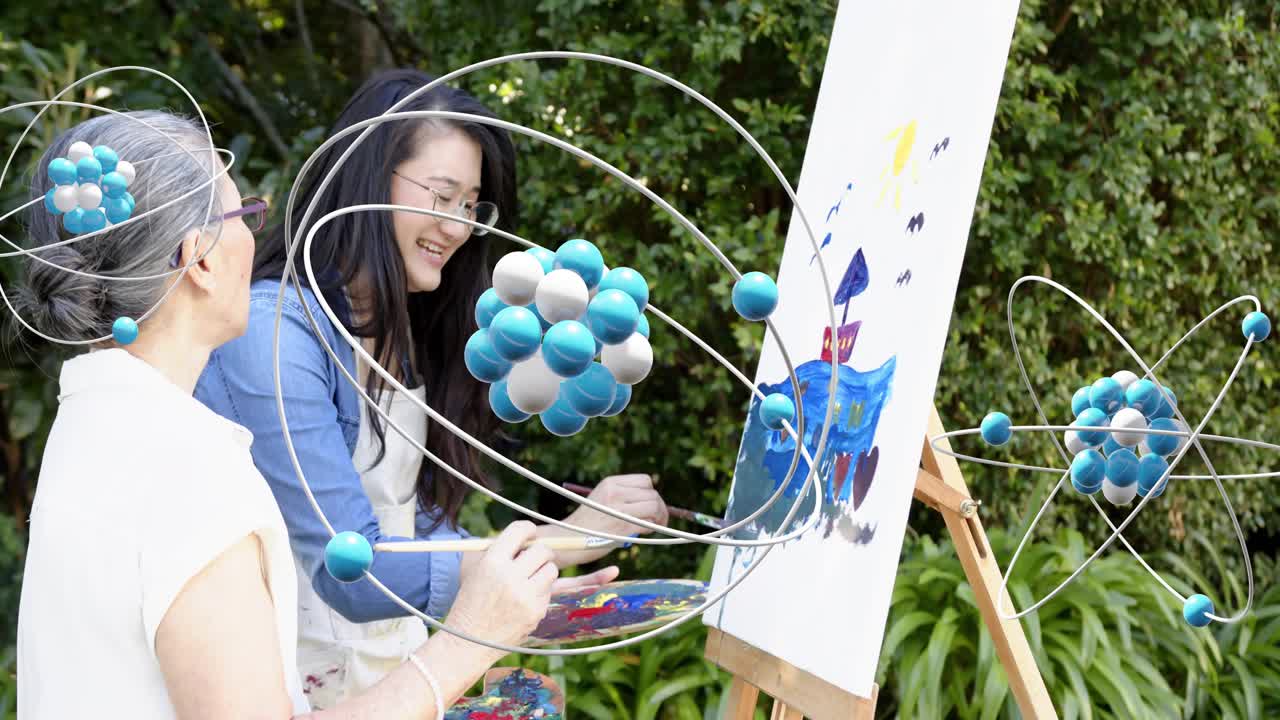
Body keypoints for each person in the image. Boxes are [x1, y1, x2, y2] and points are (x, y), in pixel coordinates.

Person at [15, 110, 558, 718]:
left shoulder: (92, 422)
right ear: (200, 260)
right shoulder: (187, 471)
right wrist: (464, 644)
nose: (257, 235)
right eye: (244, 214)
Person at [192, 68, 670, 707]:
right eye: (441, 196)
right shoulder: (274, 337)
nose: (458, 227)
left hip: (389, 672)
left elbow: (415, 532)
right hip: (291, 693)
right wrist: (566, 540)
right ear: (367, 179)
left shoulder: (402, 333)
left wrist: (537, 576)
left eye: (471, 206)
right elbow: (353, 567)